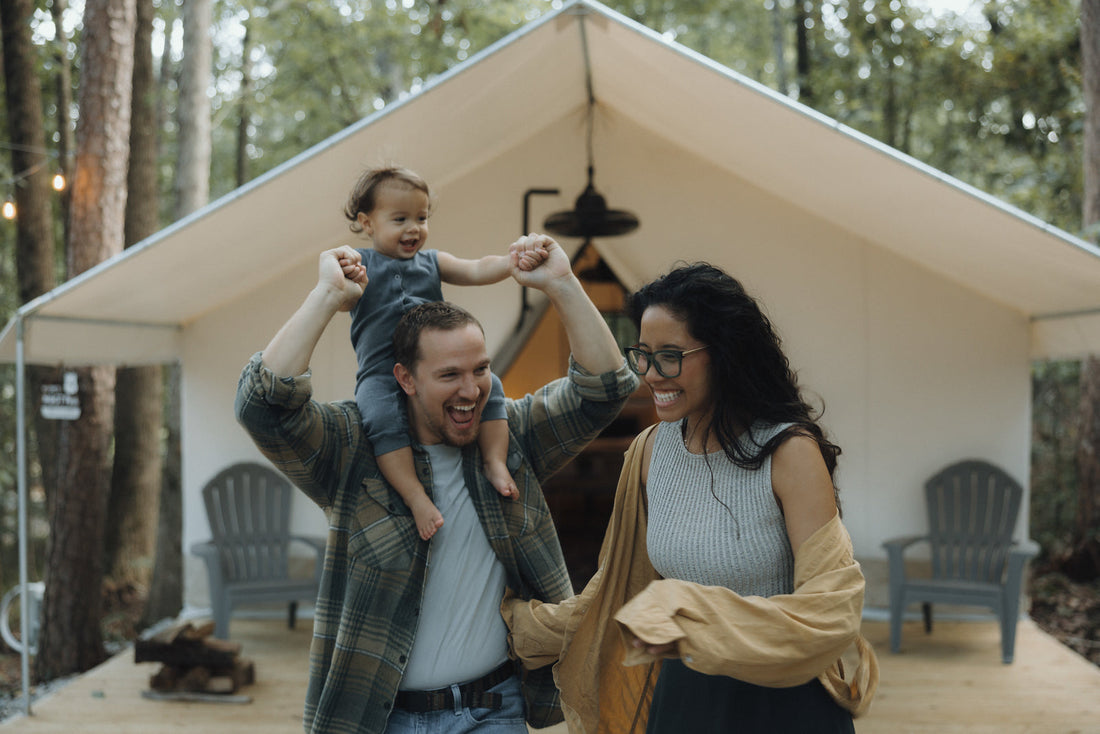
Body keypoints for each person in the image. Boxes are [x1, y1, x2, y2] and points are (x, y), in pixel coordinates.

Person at [234, 234, 638, 734]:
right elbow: (261, 407)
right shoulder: (352, 450)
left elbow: (604, 390)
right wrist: (327, 298)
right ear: (405, 378)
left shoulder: (511, 439)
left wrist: (562, 284)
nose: (471, 390)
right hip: (383, 719)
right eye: (449, 375)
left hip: (496, 708)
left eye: (481, 370)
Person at [502, 263, 878, 733]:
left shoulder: (789, 452)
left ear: (724, 354)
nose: (651, 374)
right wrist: (514, 623)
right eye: (643, 353)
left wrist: (687, 614)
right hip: (686, 700)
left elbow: (832, 609)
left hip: (781, 704)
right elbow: (617, 589)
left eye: (671, 355)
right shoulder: (648, 451)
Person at [340, 165, 542, 541]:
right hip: (381, 371)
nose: (413, 228)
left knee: (492, 386)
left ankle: (494, 461)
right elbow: (339, 299)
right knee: (381, 418)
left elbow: (477, 268)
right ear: (367, 223)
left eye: (422, 217)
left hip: (436, 369)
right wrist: (343, 276)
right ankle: (416, 496)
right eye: (400, 219)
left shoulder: (432, 262)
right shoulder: (361, 265)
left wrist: (511, 263)